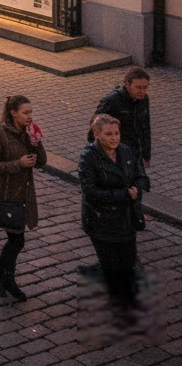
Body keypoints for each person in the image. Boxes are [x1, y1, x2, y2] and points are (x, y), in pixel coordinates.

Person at [79, 112, 150, 318]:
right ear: (97, 134)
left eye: (116, 133)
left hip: (127, 218)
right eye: (108, 134)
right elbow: (90, 191)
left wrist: (138, 187)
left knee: (128, 262)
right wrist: (123, 194)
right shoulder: (89, 157)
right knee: (111, 265)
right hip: (102, 221)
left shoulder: (126, 151)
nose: (114, 138)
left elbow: (141, 176)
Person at [0, 95, 47, 301]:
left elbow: (42, 162)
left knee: (17, 239)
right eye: (25, 113)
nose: (30, 116)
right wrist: (18, 164)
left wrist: (36, 143)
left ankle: (5, 277)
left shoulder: (28, 132)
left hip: (25, 195)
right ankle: (1, 275)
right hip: (6, 194)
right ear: (13, 113)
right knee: (16, 239)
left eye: (31, 112)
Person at [88, 68, 152, 167]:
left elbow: (145, 128)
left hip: (135, 153)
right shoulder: (112, 101)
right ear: (127, 83)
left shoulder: (144, 99)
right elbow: (94, 130)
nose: (142, 91)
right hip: (117, 154)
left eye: (145, 87)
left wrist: (146, 155)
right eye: (138, 87)